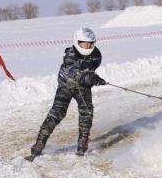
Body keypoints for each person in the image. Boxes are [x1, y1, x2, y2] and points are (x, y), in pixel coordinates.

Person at [25, 27, 107, 161]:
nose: (87, 45)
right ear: (76, 42)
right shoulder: (70, 55)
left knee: (87, 112)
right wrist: (89, 78)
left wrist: (94, 78)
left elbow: (89, 71)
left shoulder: (96, 55)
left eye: (90, 43)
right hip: (66, 85)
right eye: (83, 42)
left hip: (83, 87)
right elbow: (76, 72)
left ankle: (82, 143)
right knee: (57, 113)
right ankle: (38, 145)